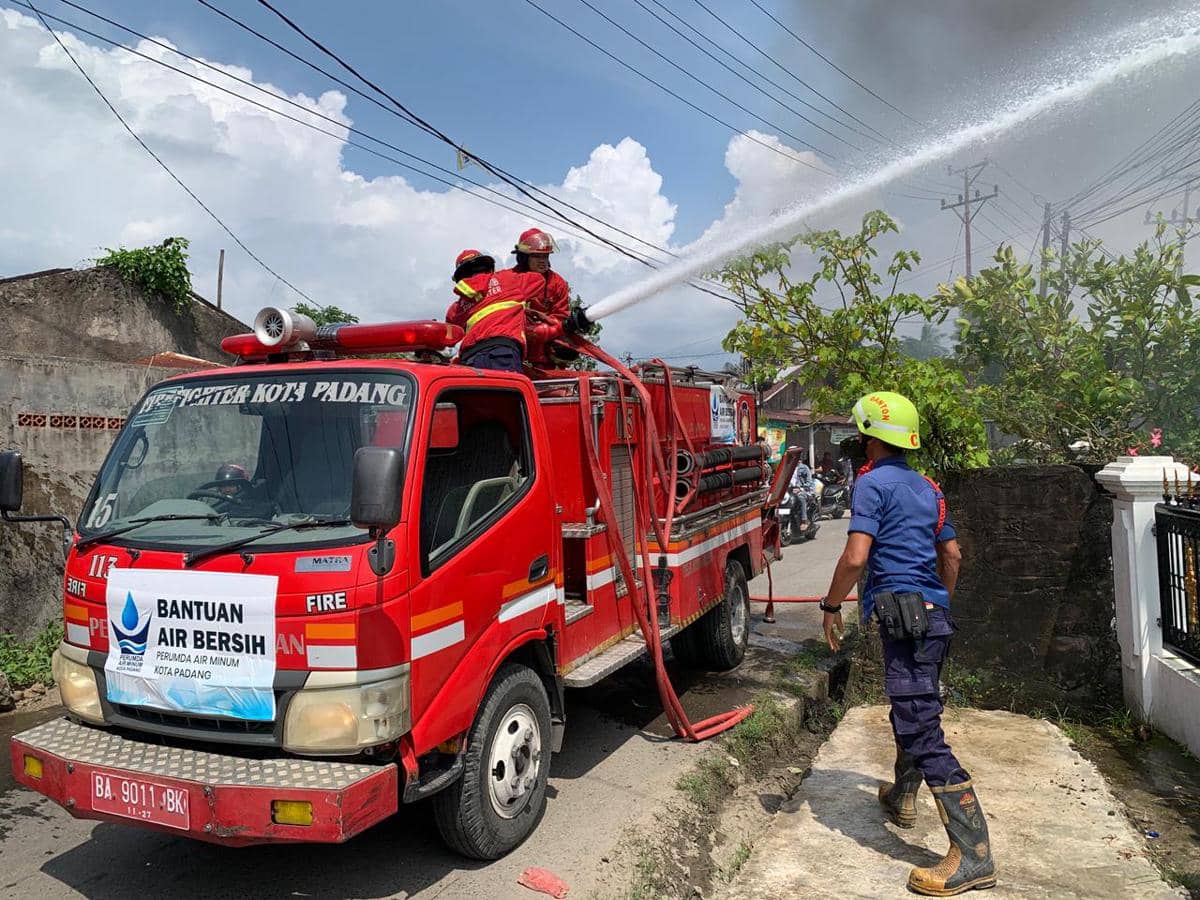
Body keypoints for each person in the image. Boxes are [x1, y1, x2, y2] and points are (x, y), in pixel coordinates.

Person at [818, 392, 993, 896]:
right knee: (914, 708)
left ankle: (974, 855)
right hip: (933, 622)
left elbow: (855, 558)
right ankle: (901, 796)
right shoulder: (929, 488)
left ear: (870, 438)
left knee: (920, 727)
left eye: (860, 435)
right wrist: (939, 603)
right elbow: (953, 556)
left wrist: (831, 606)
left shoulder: (871, 485)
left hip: (904, 621)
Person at [445, 249, 543, 372]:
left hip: (469, 360)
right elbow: (539, 279)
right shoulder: (509, 279)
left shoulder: (456, 308)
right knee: (505, 391)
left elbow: (448, 339)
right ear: (490, 269)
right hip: (502, 353)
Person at [504, 228, 570, 368]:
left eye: (545, 256)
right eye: (537, 257)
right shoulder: (508, 279)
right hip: (511, 353)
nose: (543, 261)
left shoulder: (557, 284)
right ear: (523, 257)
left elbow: (560, 318)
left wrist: (542, 327)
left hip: (543, 359)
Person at [788, 449, 814, 527]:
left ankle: (804, 520)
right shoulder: (788, 468)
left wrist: (800, 489)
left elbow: (809, 482)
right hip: (790, 490)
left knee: (800, 497)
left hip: (803, 490)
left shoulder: (804, 468)